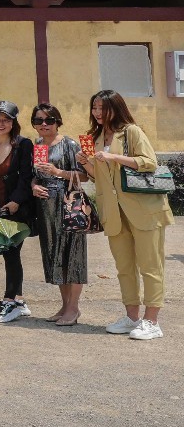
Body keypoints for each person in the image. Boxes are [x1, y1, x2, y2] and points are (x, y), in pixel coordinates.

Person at [81, 90, 169, 341]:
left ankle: (152, 321)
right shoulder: (94, 137)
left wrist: (113, 156)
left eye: (101, 108)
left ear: (114, 108)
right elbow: (101, 178)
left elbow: (149, 162)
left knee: (151, 267)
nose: (97, 113)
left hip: (144, 210)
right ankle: (132, 318)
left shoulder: (131, 131)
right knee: (124, 268)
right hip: (114, 212)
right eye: (94, 108)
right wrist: (87, 163)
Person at [27, 103, 87, 326]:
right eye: (39, 120)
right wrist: (34, 185)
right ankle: (64, 305)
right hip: (45, 207)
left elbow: (86, 175)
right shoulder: (37, 145)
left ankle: (74, 308)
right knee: (56, 255)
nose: (44, 124)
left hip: (67, 203)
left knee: (73, 255)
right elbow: (34, 175)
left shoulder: (69, 144)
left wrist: (58, 172)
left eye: (49, 120)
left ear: (57, 122)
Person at [0, 101, 36, 323]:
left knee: (12, 252)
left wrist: (16, 201)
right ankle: (20, 300)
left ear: (14, 122)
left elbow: (26, 175)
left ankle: (10, 300)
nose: (1, 123)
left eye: (6, 119)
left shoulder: (23, 144)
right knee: (8, 252)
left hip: (18, 208)